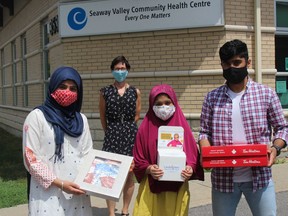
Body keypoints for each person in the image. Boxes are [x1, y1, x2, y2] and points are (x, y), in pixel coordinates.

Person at [198, 39, 288, 216]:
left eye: (237, 62)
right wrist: (206, 152)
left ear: (248, 62)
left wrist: (275, 148)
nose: (232, 67)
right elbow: (204, 132)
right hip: (223, 180)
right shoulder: (212, 98)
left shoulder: (266, 94)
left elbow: (282, 128)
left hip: (259, 177)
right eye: (227, 64)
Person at [22, 66, 93, 216]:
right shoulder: (37, 117)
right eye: (62, 86)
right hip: (48, 194)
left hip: (77, 192)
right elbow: (30, 159)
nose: (67, 91)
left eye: (73, 88)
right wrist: (60, 183)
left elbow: (88, 155)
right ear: (53, 87)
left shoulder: (82, 120)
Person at [133, 84, 204, 216]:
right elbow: (138, 158)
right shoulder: (144, 128)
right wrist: (149, 168)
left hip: (177, 187)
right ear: (151, 105)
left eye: (167, 102)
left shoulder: (182, 126)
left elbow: (193, 156)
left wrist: (190, 168)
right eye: (158, 104)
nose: (163, 107)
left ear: (174, 103)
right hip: (151, 187)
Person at [99, 55, 141, 216]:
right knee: (110, 174)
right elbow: (102, 116)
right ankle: (111, 212)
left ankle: (124, 210)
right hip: (112, 135)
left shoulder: (135, 92)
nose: (120, 71)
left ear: (127, 70)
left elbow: (137, 115)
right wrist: (110, 131)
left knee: (129, 175)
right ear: (112, 71)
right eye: (117, 68)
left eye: (122, 68)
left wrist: (127, 128)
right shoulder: (105, 92)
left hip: (130, 135)